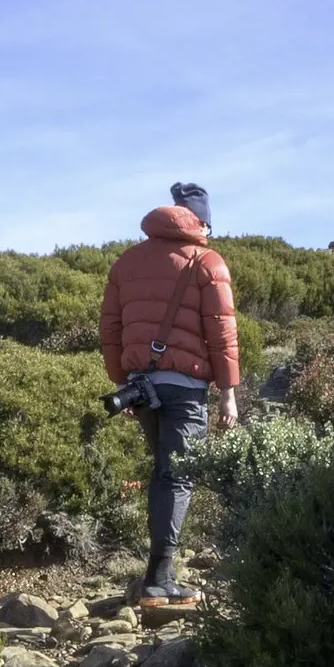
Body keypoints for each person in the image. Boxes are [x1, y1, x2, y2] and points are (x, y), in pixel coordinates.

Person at [97, 180, 239, 602]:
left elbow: (111, 329)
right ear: (203, 223)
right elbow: (223, 333)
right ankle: (159, 579)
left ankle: (159, 573)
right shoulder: (208, 262)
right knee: (176, 478)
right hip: (185, 388)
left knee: (163, 473)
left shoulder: (126, 262)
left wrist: (122, 382)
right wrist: (228, 392)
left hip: (142, 389)